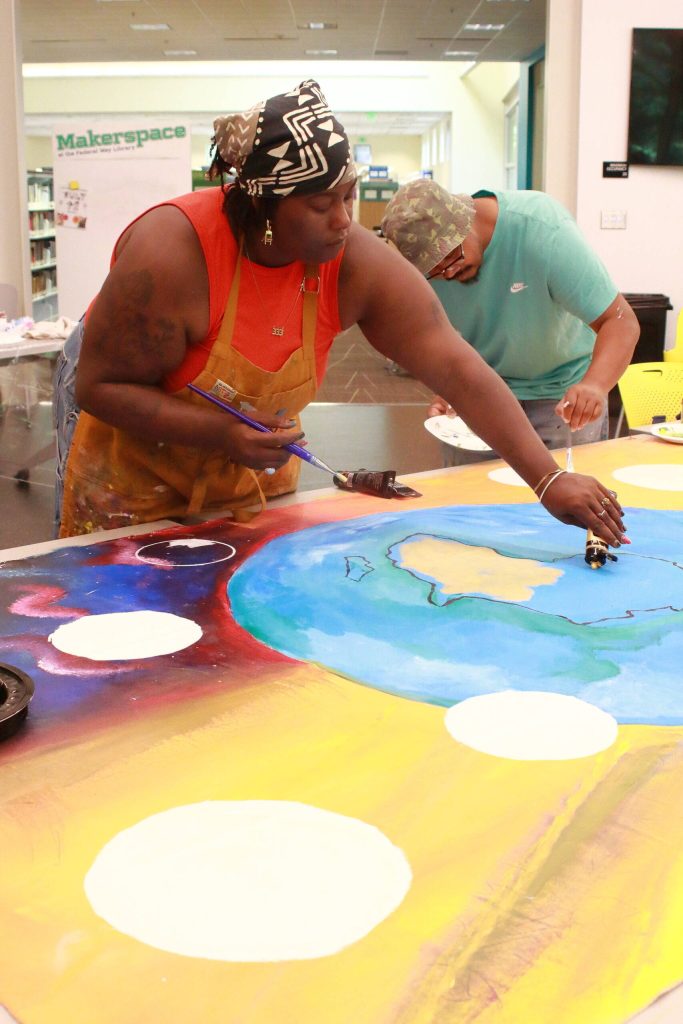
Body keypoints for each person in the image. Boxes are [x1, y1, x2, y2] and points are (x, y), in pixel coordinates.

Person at [54, 79, 627, 550]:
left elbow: (456, 367)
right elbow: (101, 386)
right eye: (321, 204)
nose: (342, 220)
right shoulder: (172, 254)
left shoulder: (353, 262)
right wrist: (220, 432)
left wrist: (547, 478)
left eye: (348, 197)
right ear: (263, 204)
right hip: (133, 474)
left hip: (245, 472)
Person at [380, 179, 640, 465]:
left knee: (566, 499)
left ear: (468, 219)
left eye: (452, 256)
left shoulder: (543, 231)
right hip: (479, 393)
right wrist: (447, 389)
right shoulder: (423, 272)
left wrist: (595, 385)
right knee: (471, 501)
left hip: (560, 397)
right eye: (434, 269)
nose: (448, 271)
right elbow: (432, 339)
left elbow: (619, 321)